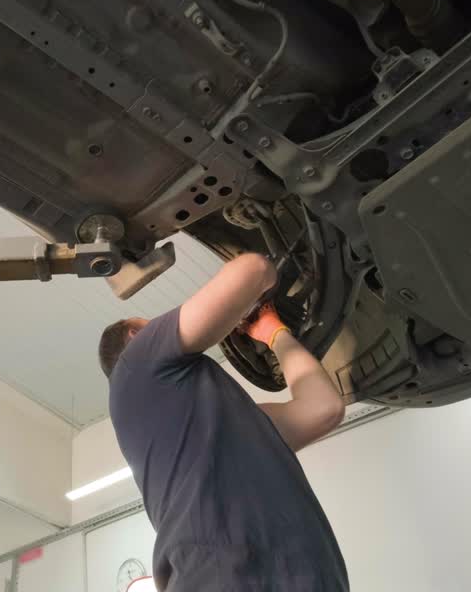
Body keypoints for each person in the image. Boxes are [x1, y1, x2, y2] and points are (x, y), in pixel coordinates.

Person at [98, 253, 348, 591]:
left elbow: (323, 409)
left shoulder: (221, 424)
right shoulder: (135, 360)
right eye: (152, 326)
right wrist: (250, 296)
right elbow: (253, 269)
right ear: (135, 336)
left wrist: (275, 333)